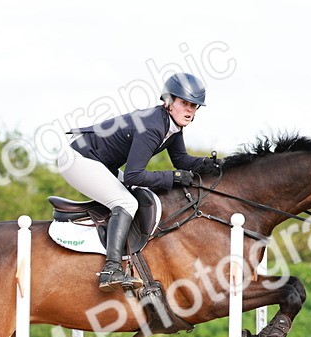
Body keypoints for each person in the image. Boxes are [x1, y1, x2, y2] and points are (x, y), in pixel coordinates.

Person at [57, 72, 221, 291]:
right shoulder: (153, 126)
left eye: (194, 105)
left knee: (140, 196)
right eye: (184, 103)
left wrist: (209, 164)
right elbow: (133, 175)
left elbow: (181, 160)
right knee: (127, 203)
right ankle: (111, 270)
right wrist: (173, 177)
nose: (190, 110)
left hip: (99, 162)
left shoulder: (171, 125)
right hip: (78, 159)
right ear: (168, 101)